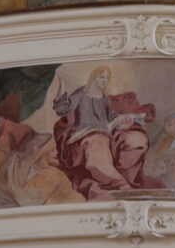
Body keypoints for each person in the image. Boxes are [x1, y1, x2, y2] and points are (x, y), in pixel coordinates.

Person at [51, 66, 159, 199]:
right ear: (93, 78)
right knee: (97, 143)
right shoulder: (82, 93)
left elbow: (111, 117)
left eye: (107, 78)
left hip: (103, 134)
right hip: (83, 138)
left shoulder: (104, 98)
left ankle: (121, 182)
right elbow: (62, 109)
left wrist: (122, 120)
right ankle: (120, 184)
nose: (104, 81)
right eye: (101, 77)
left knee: (122, 142)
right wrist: (62, 86)